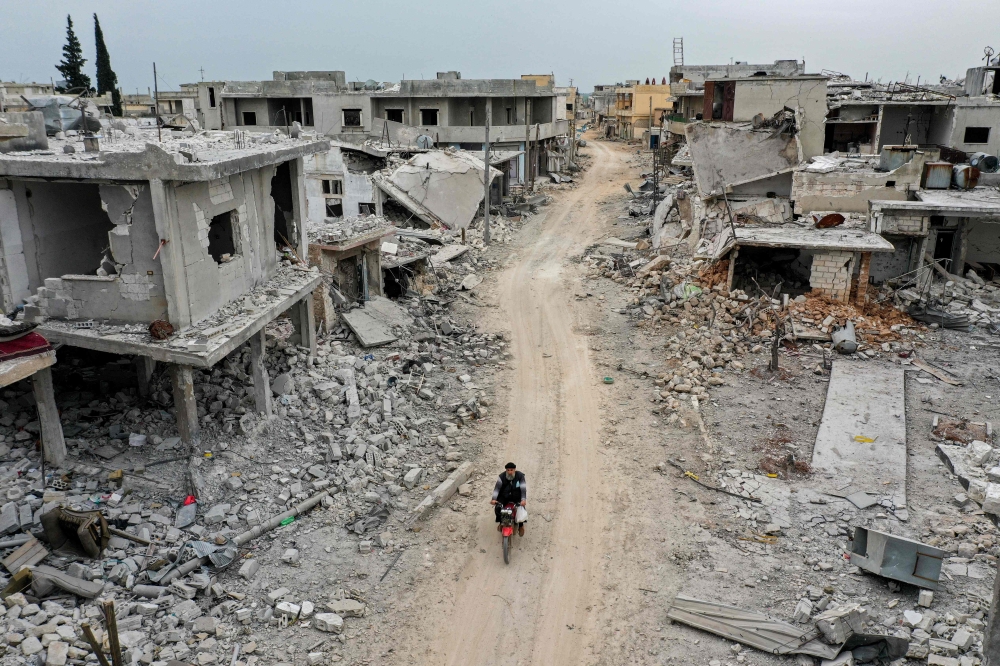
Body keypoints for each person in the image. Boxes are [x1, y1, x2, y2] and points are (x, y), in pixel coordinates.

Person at [490, 462, 526, 536]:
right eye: (508, 470)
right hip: (504, 496)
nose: (510, 472)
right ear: (506, 470)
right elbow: (497, 488)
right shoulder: (501, 477)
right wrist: (494, 499)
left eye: (511, 470)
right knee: (498, 507)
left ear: (514, 470)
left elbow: (523, 488)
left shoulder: (520, 476)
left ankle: (521, 526)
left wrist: (523, 499)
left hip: (516, 496)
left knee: (520, 509)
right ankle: (501, 522)